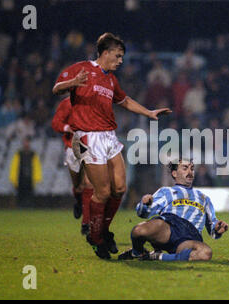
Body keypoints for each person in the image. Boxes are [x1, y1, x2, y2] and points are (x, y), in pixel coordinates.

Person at [52, 32, 171, 260]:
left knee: (119, 189)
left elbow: (124, 101)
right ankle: (96, 239)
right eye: (117, 56)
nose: (120, 61)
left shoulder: (110, 79)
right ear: (105, 53)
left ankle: (103, 231)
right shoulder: (81, 68)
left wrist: (148, 112)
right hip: (87, 137)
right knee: (103, 192)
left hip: (109, 136)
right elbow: (57, 88)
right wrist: (73, 83)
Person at [118, 159, 229, 261]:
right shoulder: (166, 191)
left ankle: (156, 256)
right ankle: (137, 253)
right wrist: (145, 204)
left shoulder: (204, 198)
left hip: (189, 236)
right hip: (168, 227)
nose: (190, 172)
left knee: (205, 253)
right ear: (174, 173)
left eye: (192, 168)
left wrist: (218, 228)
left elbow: (213, 230)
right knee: (138, 231)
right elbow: (143, 214)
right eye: (185, 168)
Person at [51, 97, 93, 235]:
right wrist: (66, 127)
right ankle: (78, 200)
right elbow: (56, 122)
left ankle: (86, 223)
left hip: (91, 146)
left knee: (88, 184)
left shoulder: (95, 102)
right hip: (72, 146)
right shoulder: (67, 103)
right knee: (78, 186)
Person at [9, 137, 42, 208]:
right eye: (25, 142)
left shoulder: (33, 154)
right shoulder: (18, 154)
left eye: (27, 142)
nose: (26, 144)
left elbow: (37, 167)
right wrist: (14, 179)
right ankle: (20, 207)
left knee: (30, 195)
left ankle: (30, 207)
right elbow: (14, 167)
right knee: (21, 195)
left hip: (30, 179)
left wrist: (37, 178)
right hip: (20, 178)